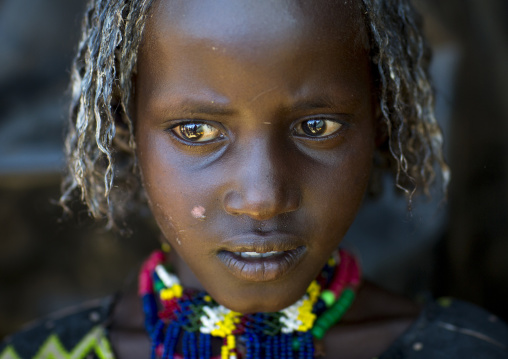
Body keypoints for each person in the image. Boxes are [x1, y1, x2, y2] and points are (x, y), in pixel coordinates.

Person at [1, 0, 507, 358]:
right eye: (195, 130)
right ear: (124, 125)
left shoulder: (467, 349)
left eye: (317, 127)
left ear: (379, 121)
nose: (263, 199)